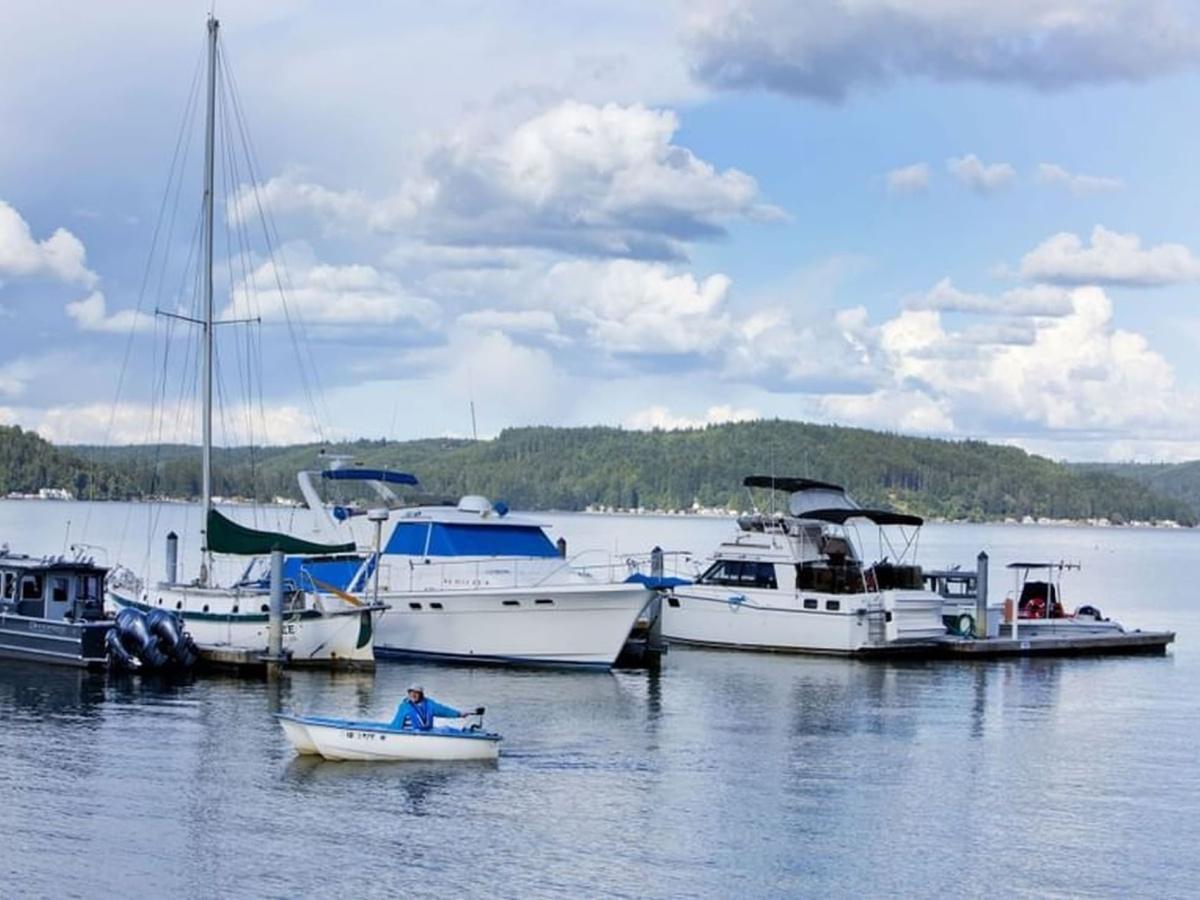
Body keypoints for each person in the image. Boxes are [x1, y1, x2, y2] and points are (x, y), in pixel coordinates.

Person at [390, 684, 475, 731]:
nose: (413, 695)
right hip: (407, 733)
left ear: (421, 695)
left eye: (416, 693)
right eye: (411, 692)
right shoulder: (404, 705)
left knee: (447, 729)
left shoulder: (429, 704)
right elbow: (396, 723)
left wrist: (459, 714)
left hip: (426, 734)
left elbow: (444, 710)